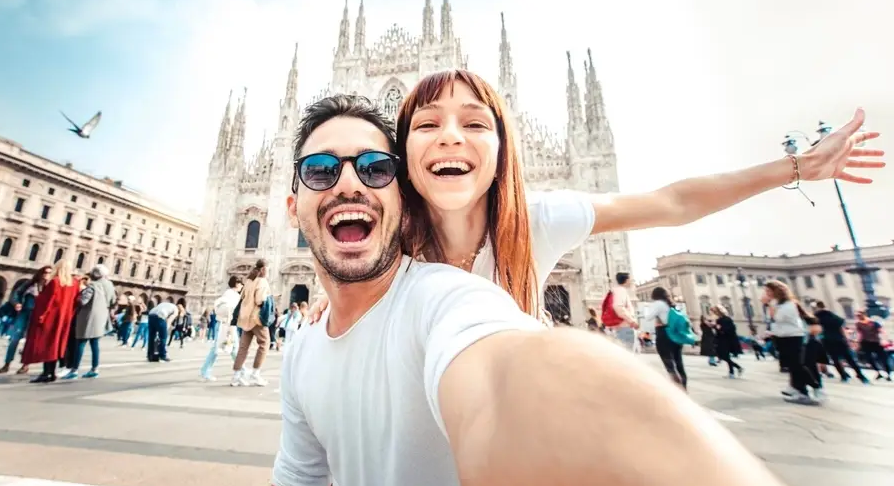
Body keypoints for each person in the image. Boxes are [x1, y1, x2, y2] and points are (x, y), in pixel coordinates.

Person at [257, 94, 804, 486]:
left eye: (375, 167)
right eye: (322, 169)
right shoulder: (318, 339)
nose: (451, 139)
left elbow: (511, 376)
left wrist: (795, 169)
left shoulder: (503, 244)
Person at [308, 69, 884, 330]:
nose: (451, 136)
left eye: (475, 123)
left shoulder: (534, 223)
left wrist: (795, 167)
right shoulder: (390, 242)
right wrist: (335, 300)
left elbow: (673, 201)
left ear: (506, 150)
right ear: (401, 155)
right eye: (426, 123)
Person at [763, 280, 819, 405]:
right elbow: (773, 321)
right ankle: (799, 390)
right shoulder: (777, 304)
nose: (766, 294)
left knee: (796, 365)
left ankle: (815, 386)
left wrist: (770, 305)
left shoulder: (788, 304)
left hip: (793, 337)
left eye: (768, 291)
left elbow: (778, 318)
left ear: (776, 291)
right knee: (791, 365)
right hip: (782, 336)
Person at [23, 260, 79, 383]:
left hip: (51, 318)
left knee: (47, 345)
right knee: (56, 345)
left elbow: (48, 301)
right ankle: (51, 373)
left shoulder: (55, 282)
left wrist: (41, 314)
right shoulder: (74, 283)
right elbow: (75, 302)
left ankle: (46, 373)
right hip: (64, 319)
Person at [63, 264, 116, 380]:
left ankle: (74, 370)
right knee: (95, 343)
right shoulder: (110, 285)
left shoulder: (93, 285)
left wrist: (78, 295)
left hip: (88, 316)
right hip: (102, 316)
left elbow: (83, 301)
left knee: (81, 342)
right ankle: (94, 369)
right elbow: (113, 301)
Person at [0, 266, 52, 375]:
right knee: (14, 339)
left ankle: (25, 365)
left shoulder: (49, 286)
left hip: (37, 316)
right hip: (24, 314)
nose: (47, 275)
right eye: (45, 272)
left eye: (49, 273)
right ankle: (7, 363)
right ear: (40, 273)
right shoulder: (30, 284)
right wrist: (16, 303)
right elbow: (15, 294)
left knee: (30, 341)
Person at [232, 258, 272, 387]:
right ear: (264, 269)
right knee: (264, 344)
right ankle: (255, 374)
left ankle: (236, 376)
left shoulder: (249, 280)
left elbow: (243, 297)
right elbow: (260, 300)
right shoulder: (262, 281)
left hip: (245, 317)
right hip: (256, 319)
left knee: (243, 348)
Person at [813, 300, 868, 383]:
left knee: (835, 359)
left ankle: (843, 376)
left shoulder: (816, 318)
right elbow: (841, 328)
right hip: (839, 339)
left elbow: (817, 330)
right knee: (849, 358)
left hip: (827, 340)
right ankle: (861, 376)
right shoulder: (834, 316)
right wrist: (846, 339)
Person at [202, 276, 243, 382]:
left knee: (232, 349)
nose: (242, 286)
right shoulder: (231, 294)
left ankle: (242, 370)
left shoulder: (233, 294)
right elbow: (230, 309)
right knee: (219, 349)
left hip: (227, 325)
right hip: (225, 325)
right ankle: (206, 371)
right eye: (241, 284)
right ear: (237, 284)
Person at [646, 286, 687, 389]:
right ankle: (684, 388)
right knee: (679, 363)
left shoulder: (657, 304)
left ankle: (677, 388)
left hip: (663, 333)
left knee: (669, 364)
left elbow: (648, 317)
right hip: (675, 334)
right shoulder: (672, 304)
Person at [711, 305, 744, 378]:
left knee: (724, 356)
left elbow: (727, 329)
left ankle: (737, 368)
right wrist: (715, 327)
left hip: (726, 340)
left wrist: (718, 327)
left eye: (715, 312)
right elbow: (719, 330)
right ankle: (732, 372)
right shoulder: (721, 319)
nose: (714, 313)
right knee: (725, 356)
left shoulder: (725, 319)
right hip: (723, 339)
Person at [147, 297, 176, 363]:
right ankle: (163, 356)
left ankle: (150, 355)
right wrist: (166, 329)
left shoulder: (164, 304)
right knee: (163, 337)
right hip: (160, 315)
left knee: (151, 337)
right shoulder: (175, 309)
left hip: (151, 314)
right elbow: (170, 320)